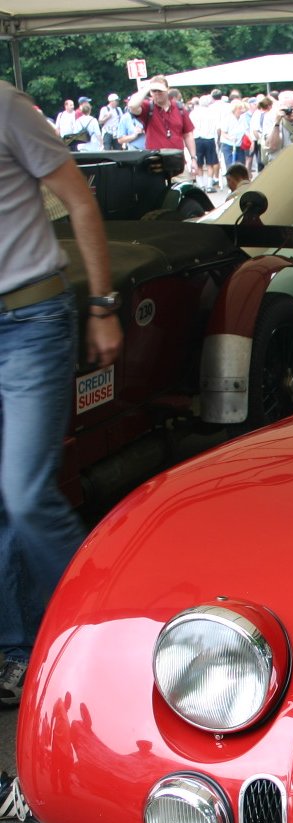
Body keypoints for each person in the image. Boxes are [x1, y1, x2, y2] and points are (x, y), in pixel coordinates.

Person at [0, 81, 123, 712]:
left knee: (25, 494)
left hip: (30, 322)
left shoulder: (5, 105)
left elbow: (79, 199)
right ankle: (17, 651)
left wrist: (103, 306)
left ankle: (101, 638)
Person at [126, 75, 197, 175]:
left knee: (182, 188)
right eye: (154, 91)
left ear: (167, 90)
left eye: (160, 90)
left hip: (177, 162)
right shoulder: (148, 107)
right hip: (155, 163)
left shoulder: (180, 108)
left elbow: (188, 135)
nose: (157, 93)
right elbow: (132, 105)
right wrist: (147, 88)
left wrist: (193, 158)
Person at [191, 92, 221, 191]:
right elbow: (217, 128)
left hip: (197, 139)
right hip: (209, 139)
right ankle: (209, 185)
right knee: (210, 163)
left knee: (199, 163)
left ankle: (200, 185)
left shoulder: (193, 113)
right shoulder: (212, 113)